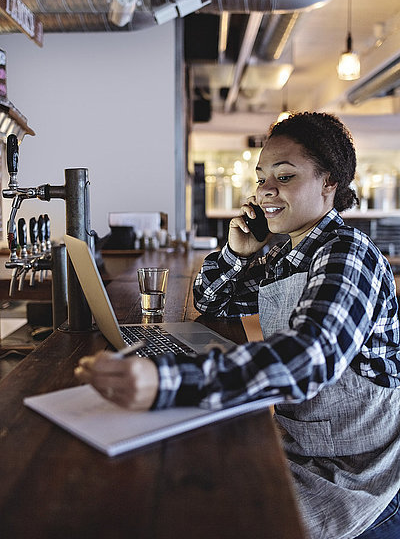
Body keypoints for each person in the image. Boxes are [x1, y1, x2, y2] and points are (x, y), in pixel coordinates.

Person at [75, 112, 400, 539]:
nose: (266, 189)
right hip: (302, 451)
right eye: (262, 176)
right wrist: (237, 251)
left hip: (361, 479)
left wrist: (166, 381)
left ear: (329, 182)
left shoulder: (347, 254)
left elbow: (309, 358)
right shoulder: (288, 254)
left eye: (284, 176)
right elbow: (212, 302)